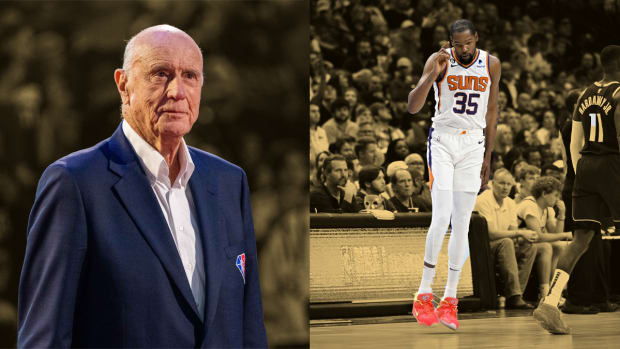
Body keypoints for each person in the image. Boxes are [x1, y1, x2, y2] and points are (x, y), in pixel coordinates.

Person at [17, 25, 267, 347]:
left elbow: (249, 327)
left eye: (190, 76)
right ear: (123, 85)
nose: (177, 91)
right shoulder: (74, 183)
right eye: (160, 74)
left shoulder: (230, 182)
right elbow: (44, 337)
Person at [407, 19, 501, 330]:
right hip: (444, 140)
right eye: (457, 44)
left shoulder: (491, 63)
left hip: (474, 144)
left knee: (463, 221)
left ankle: (450, 300)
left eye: (468, 44)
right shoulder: (439, 60)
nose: (462, 50)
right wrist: (430, 77)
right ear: (450, 41)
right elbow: (412, 106)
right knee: (442, 216)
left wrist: (488, 155)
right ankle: (423, 292)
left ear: (476, 38)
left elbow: (492, 109)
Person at [533, 45, 620, 334]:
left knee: (580, 240)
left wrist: (582, 172)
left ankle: (551, 301)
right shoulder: (619, 93)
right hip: (611, 165)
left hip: (584, 169)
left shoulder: (583, 95)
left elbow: (574, 142)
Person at [475, 169, 537, 309]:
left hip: (503, 245)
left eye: (509, 184)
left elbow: (511, 230)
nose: (505, 187)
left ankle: (516, 294)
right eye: (502, 183)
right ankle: (514, 296)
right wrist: (519, 233)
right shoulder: (483, 201)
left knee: (530, 246)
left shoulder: (510, 202)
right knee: (507, 242)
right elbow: (490, 234)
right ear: (492, 184)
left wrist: (523, 237)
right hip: (483, 248)